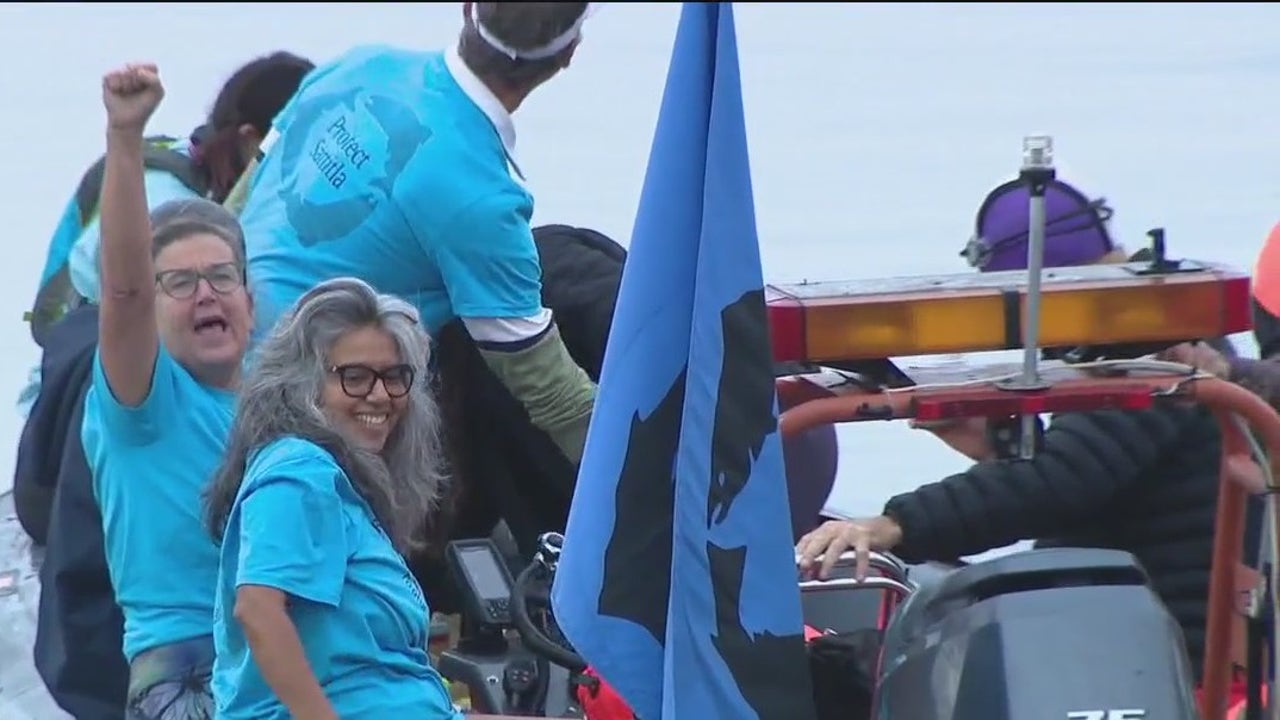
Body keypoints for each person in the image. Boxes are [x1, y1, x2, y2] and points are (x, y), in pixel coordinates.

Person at [796, 175, 1263, 683]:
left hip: (1167, 659)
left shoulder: (1149, 346)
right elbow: (1105, 479)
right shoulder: (1157, 335)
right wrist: (1001, 451)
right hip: (1139, 636)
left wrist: (889, 526)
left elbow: (1065, 481)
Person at [237, 2, 598, 468]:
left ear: (467, 8)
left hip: (197, 372)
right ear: (569, 53)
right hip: (293, 425)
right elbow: (553, 396)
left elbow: (237, 206)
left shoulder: (358, 63)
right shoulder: (483, 197)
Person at [82, 62, 257, 719]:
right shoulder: (142, 407)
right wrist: (126, 136)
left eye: (219, 276)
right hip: (191, 677)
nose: (205, 292)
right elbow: (124, 288)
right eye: (179, 283)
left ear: (250, 297)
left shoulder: (279, 407)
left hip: (295, 659)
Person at [203, 277, 456, 720]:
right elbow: (259, 611)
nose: (380, 395)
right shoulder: (300, 468)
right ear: (302, 385)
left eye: (394, 377)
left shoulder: (334, 483)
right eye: (354, 377)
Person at [20, 50, 313, 415]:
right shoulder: (163, 198)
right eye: (297, 149)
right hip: (90, 398)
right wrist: (125, 131)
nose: (303, 168)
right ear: (249, 138)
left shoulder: (222, 188)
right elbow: (130, 298)